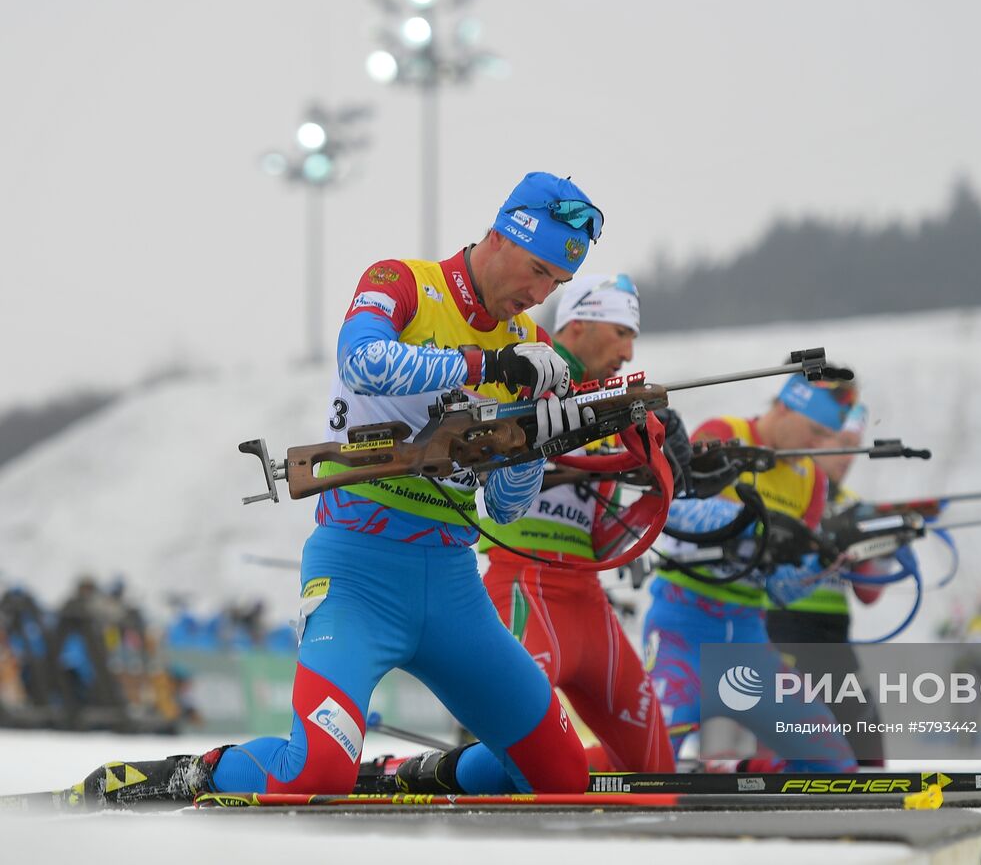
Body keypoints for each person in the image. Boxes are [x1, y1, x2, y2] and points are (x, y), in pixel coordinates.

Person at [75, 172, 605, 806]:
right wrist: (484, 365)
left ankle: (418, 775)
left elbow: (507, 507)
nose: (539, 293)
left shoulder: (532, 347)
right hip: (359, 572)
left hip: (454, 586)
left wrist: (533, 438)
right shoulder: (402, 283)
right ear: (500, 234)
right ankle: (197, 772)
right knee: (317, 773)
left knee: (562, 780)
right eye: (538, 269)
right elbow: (363, 360)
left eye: (557, 284)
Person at [480, 273, 683, 772]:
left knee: (654, 770)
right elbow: (487, 483)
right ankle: (412, 770)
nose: (631, 353)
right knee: (529, 761)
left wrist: (661, 479)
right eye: (622, 333)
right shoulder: (530, 370)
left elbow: (605, 537)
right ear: (580, 324)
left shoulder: (612, 405)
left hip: (588, 602)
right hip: (524, 587)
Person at [642, 375, 859, 772]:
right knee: (648, 767)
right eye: (814, 431)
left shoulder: (813, 482)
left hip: (748, 642)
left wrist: (825, 559)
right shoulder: (725, 433)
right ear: (785, 406)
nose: (817, 446)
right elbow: (674, 509)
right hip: (682, 633)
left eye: (828, 436)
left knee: (834, 763)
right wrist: (760, 525)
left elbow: (780, 590)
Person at [766, 401, 918, 765]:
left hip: (832, 638)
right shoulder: (784, 490)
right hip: (779, 629)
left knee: (868, 750)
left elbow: (868, 592)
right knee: (789, 743)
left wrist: (887, 543)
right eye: (840, 443)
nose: (847, 457)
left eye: (855, 446)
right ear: (815, 437)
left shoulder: (854, 506)